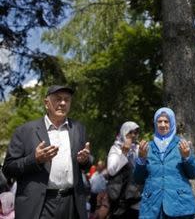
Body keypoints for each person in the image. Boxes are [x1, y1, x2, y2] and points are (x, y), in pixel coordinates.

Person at [2, 85, 91, 219]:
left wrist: (85, 160)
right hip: (39, 205)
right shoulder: (25, 131)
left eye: (67, 99)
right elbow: (8, 169)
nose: (62, 103)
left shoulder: (78, 128)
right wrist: (35, 159)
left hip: (71, 203)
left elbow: (87, 163)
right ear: (46, 103)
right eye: (58, 99)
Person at [134, 107, 195, 218]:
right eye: (159, 121)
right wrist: (141, 159)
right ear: (155, 124)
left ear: (172, 123)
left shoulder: (182, 145)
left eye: (166, 121)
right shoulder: (147, 147)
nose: (163, 125)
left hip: (180, 207)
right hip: (153, 208)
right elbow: (138, 179)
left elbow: (194, 173)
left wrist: (187, 157)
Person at [107, 121, 142, 218]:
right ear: (123, 132)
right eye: (130, 132)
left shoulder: (138, 149)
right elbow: (111, 170)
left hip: (136, 198)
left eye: (135, 132)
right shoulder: (116, 148)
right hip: (120, 199)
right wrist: (124, 153)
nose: (133, 135)